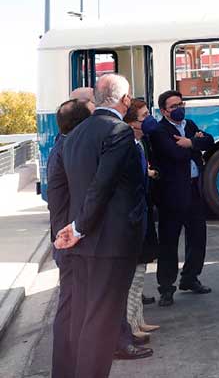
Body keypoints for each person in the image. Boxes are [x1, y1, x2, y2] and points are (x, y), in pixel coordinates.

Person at [53, 74, 152, 375]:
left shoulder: (75, 134)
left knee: (85, 321)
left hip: (84, 246)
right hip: (110, 244)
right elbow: (102, 186)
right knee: (103, 326)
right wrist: (79, 227)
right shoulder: (119, 131)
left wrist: (75, 230)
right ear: (123, 100)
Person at [148, 90, 214, 305]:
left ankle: (190, 277)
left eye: (181, 104)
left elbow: (210, 141)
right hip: (171, 194)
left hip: (194, 189)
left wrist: (191, 143)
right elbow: (175, 155)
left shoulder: (190, 125)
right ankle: (166, 288)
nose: (179, 109)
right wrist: (194, 145)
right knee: (169, 241)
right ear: (164, 110)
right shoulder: (159, 132)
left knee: (198, 236)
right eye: (174, 106)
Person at [46, 95, 93, 378]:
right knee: (71, 309)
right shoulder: (69, 150)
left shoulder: (63, 146)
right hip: (70, 243)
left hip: (68, 240)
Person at [122, 100, 160, 334]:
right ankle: (130, 324)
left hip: (145, 213)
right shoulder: (129, 146)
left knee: (141, 273)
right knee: (133, 278)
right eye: (144, 116)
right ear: (132, 122)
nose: (148, 119)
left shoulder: (141, 143)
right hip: (134, 217)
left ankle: (139, 320)